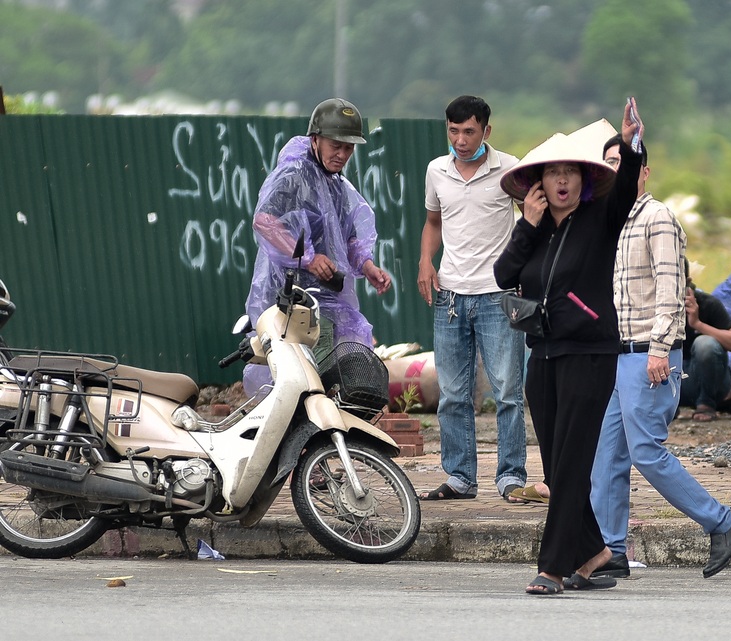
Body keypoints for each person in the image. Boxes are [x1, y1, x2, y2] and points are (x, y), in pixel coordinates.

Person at [494, 101, 643, 595]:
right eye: (552, 174)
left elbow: (625, 188)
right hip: (544, 356)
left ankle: (553, 566)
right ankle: (596, 552)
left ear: (582, 180)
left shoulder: (602, 218)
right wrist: (526, 225)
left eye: (569, 173)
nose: (561, 182)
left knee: (573, 463)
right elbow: (503, 275)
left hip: (590, 355)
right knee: (559, 466)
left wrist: (629, 144)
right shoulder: (534, 230)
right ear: (538, 185)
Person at [589, 131, 731, 581]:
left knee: (646, 451)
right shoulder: (610, 221)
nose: (614, 172)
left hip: (649, 354)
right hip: (616, 356)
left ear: (643, 171)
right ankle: (611, 548)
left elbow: (670, 290)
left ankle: (723, 522)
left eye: (621, 164)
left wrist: (661, 348)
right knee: (606, 455)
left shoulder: (656, 218)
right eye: (607, 164)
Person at [417, 95, 527, 502]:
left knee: (509, 393)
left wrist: (524, 270)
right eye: (453, 131)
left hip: (498, 296)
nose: (461, 141)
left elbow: (533, 217)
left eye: (469, 131)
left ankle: (511, 477)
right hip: (450, 297)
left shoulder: (511, 169)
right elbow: (433, 222)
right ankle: (460, 477)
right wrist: (426, 261)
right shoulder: (437, 170)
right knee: (452, 394)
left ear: (486, 131)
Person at [243, 98, 392, 396]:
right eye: (335, 145)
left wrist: (367, 266)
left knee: (335, 379)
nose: (342, 154)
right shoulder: (295, 175)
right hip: (297, 301)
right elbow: (264, 221)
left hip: (329, 300)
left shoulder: (334, 182)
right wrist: (307, 258)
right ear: (315, 140)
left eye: (348, 148)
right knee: (309, 384)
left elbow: (347, 236)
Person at [679, 256, 731, 421]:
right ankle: (666, 408)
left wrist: (698, 324)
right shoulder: (652, 307)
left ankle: (706, 404)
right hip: (673, 382)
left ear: (687, 282)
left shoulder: (707, 303)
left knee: (705, 343)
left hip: (706, 382)